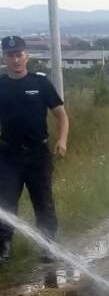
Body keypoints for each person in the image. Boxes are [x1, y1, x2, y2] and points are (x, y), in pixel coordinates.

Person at [0, 36, 69, 263]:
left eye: (19, 54)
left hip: (38, 155)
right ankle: (4, 246)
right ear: (5, 58)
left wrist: (62, 140)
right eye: (11, 55)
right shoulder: (1, 85)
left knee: (43, 202)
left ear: (26, 56)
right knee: (6, 202)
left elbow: (61, 115)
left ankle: (47, 245)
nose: (16, 60)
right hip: (9, 156)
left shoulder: (40, 83)